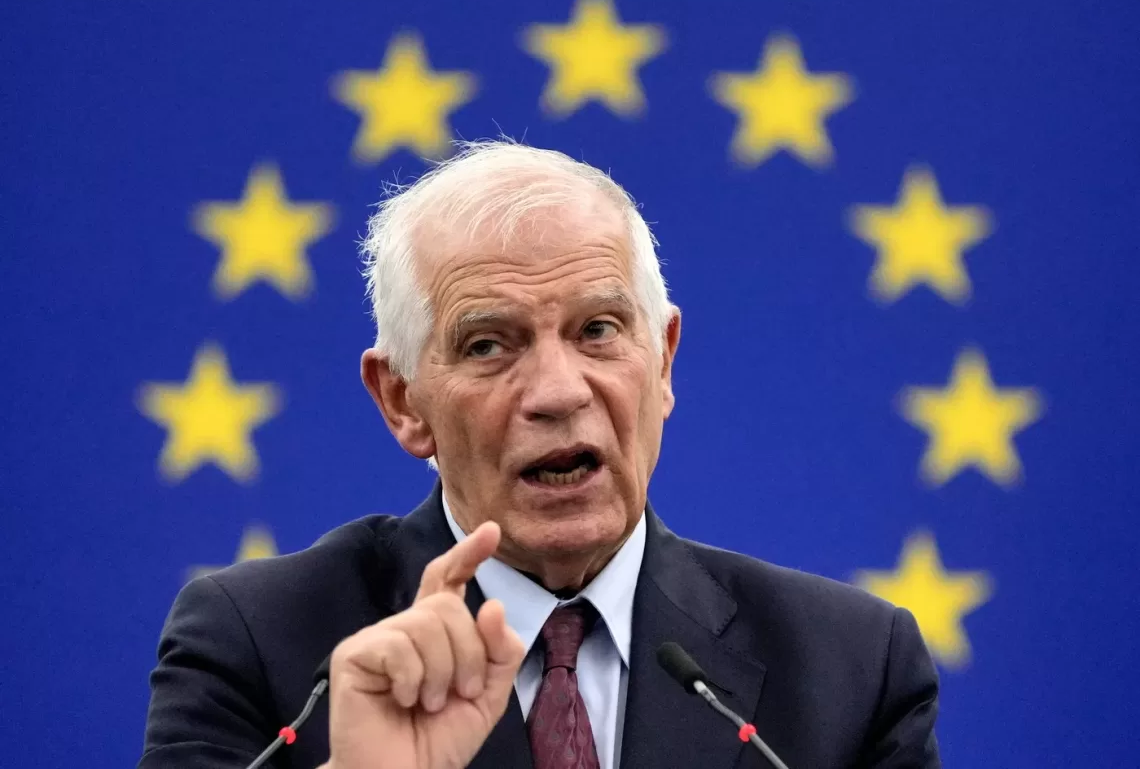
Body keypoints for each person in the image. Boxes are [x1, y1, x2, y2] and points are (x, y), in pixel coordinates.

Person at [139, 140, 941, 769]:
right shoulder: (257, 643)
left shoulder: (853, 665)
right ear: (402, 401)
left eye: (598, 329)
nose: (559, 391)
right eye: (488, 344)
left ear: (663, 362)